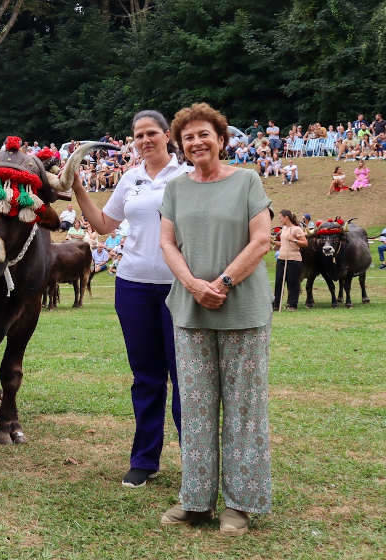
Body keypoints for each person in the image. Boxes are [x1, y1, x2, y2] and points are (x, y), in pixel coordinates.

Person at [158, 103, 272, 536]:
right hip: (190, 311)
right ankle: (196, 500)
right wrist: (192, 284)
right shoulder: (176, 189)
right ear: (181, 146)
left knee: (243, 409)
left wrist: (221, 282)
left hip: (242, 310)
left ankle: (239, 505)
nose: (196, 142)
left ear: (221, 139)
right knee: (197, 408)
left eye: (204, 134)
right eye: (188, 137)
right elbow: (168, 244)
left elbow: (262, 240)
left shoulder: (246, 180)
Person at [71, 110, 189, 488]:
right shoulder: (130, 178)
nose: (144, 140)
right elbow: (105, 225)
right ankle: (144, 459)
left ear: (167, 135)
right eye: (138, 135)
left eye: (151, 133)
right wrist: (78, 188)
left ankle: (196, 460)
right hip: (134, 285)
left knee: (185, 378)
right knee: (146, 377)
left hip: (179, 286)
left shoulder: (187, 176)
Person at [272, 210, 308, 310]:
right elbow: (284, 244)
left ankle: (292, 305)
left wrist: (294, 239)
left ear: (286, 217)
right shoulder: (284, 228)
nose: (279, 220)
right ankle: (276, 304)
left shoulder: (297, 229)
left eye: (280, 218)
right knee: (279, 282)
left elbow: (305, 243)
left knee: (293, 282)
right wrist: (273, 241)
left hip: (294, 260)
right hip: (281, 259)